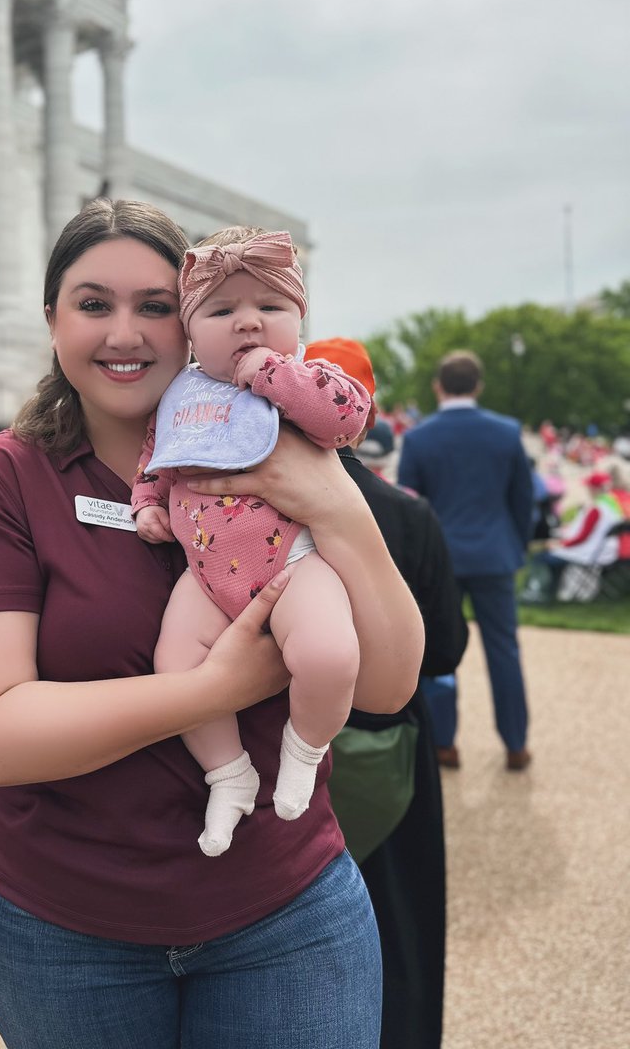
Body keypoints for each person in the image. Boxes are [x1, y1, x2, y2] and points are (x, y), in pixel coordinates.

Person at [0, 198, 424, 1049]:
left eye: (154, 305)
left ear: (194, 321)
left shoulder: (282, 438)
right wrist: (207, 692)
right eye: (93, 304)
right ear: (52, 322)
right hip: (64, 930)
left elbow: (385, 685)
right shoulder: (2, 480)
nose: (126, 333)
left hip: (286, 912)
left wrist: (337, 503)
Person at [131, 230, 372, 856]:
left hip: (292, 559)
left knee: (328, 655)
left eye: (270, 308)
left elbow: (345, 419)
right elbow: (156, 457)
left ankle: (304, 747)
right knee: (176, 668)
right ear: (189, 333)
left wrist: (273, 376)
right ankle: (228, 775)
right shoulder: (180, 396)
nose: (247, 323)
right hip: (204, 570)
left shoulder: (308, 378)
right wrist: (147, 504)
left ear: (299, 319)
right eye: (221, 311)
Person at [306, 338, 468, 1049]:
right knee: (400, 925)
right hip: (394, 734)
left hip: (296, 739)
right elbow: (447, 649)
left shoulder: (260, 500)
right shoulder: (406, 511)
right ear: (365, 417)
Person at [397, 351, 533, 771]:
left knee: (439, 649)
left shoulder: (420, 438)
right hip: (495, 554)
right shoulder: (508, 432)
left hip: (441, 559)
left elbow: (409, 504)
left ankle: (443, 743)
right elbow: (523, 502)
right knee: (504, 651)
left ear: (438, 386)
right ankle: (515, 743)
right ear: (478, 385)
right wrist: (516, 546)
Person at [521, 470, 628, 601]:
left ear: (593, 488)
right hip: (606, 551)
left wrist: (560, 544)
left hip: (591, 553)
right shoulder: (613, 505)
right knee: (549, 554)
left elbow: (582, 537)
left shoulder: (597, 508)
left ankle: (538, 592)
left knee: (541, 557)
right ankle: (550, 591)